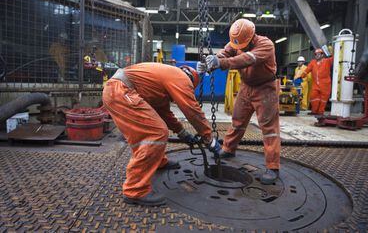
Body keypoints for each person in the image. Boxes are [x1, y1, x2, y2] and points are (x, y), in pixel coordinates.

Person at [102, 63, 212, 206]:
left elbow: (165, 114)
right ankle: (135, 190)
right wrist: (208, 137)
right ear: (191, 81)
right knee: (156, 133)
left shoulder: (162, 81)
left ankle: (158, 162)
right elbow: (192, 110)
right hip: (121, 92)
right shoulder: (181, 78)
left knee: (145, 133)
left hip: (117, 91)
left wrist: (183, 133)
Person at [198, 18, 280, 185]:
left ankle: (273, 167)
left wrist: (220, 63)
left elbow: (247, 59)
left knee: (269, 128)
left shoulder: (266, 45)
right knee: (237, 120)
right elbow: (224, 53)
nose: (239, 49)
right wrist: (211, 62)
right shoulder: (236, 43)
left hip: (265, 89)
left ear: (251, 38)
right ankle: (228, 149)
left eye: (242, 46)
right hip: (246, 87)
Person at [301, 48, 333, 115]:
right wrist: (302, 76)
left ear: (322, 55)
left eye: (319, 54)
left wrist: (331, 52)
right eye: (316, 54)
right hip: (315, 84)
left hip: (325, 85)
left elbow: (334, 58)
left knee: (323, 99)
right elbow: (307, 69)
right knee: (313, 96)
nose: (317, 55)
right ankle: (314, 111)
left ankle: (320, 112)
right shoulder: (313, 62)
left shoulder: (327, 61)